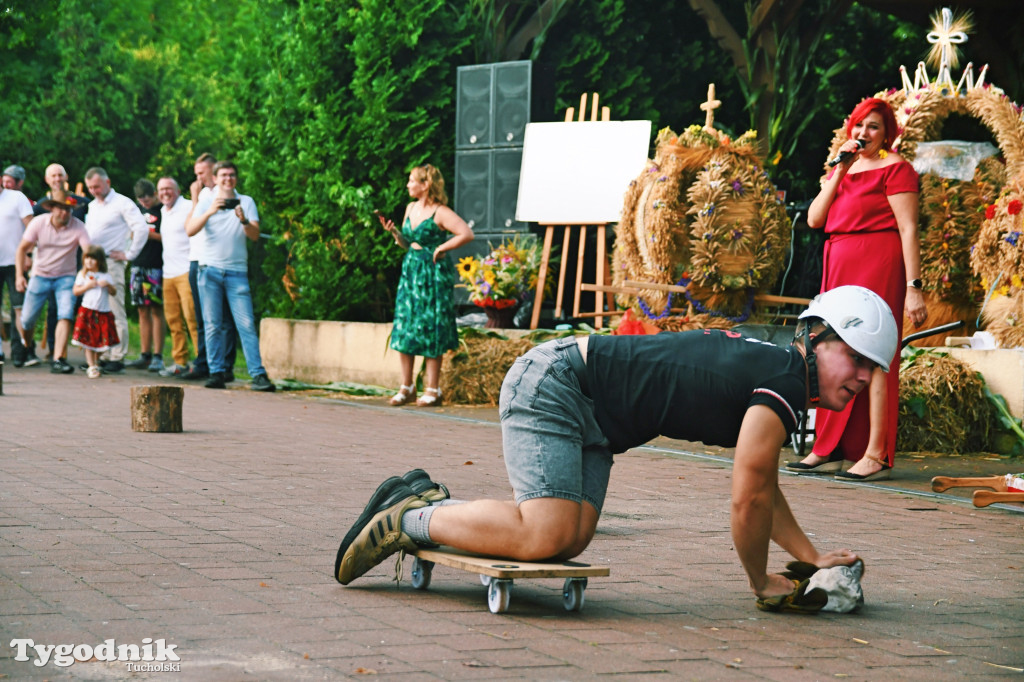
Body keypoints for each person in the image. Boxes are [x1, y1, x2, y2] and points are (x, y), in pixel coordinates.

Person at [335, 286, 898, 611]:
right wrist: (760, 583)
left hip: (595, 420)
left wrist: (812, 555)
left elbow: (763, 487)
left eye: (875, 370)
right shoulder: (784, 381)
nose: (865, 379)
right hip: (558, 383)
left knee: (569, 538)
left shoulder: (781, 371)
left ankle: (424, 498)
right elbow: (748, 498)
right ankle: (408, 518)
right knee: (545, 533)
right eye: (858, 359)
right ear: (817, 337)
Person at [787, 98, 927, 482]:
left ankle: (875, 452)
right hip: (839, 258)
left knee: (874, 353)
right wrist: (839, 170)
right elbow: (816, 218)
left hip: (878, 259)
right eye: (859, 125)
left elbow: (908, 229)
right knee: (833, 348)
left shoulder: (896, 169)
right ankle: (827, 449)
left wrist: (914, 287)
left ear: (887, 134)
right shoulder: (842, 169)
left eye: (874, 127)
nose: (864, 133)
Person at [378, 164, 473, 407]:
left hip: (433, 274)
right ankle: (407, 386)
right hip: (411, 271)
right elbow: (407, 243)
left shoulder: (440, 212)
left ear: (425, 184)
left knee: (432, 327)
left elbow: (466, 233)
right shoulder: (410, 208)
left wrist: (442, 248)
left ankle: (433, 388)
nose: (408, 185)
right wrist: (396, 234)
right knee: (406, 325)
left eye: (412, 181)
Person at [185, 161, 274, 392]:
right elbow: (190, 229)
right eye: (223, 175)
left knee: (245, 324)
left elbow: (254, 236)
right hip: (209, 271)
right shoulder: (206, 200)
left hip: (237, 272)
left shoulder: (247, 201)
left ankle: (258, 374)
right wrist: (211, 211)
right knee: (213, 324)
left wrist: (243, 219)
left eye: (232, 175)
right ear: (214, 178)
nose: (228, 179)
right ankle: (216, 373)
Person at [14, 191, 91, 374]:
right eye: (61, 209)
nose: (65, 213)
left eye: (68, 210)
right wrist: (19, 275)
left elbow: (88, 251)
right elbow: (22, 249)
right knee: (27, 320)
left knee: (65, 315)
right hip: (40, 275)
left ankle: (59, 359)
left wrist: (85, 274)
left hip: (66, 277)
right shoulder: (39, 223)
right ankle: (27, 345)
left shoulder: (78, 226)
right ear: (52, 209)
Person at [83, 167, 149, 373]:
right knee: (96, 309)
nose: (94, 190)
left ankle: (117, 355)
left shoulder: (122, 203)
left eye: (97, 186)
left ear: (107, 182)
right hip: (93, 265)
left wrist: (130, 254)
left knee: (114, 309)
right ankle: (101, 352)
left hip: (112, 262)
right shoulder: (92, 206)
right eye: (90, 188)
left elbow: (141, 228)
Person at [181, 152, 237, 381]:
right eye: (196, 174)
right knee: (203, 317)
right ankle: (204, 362)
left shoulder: (225, 194)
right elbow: (189, 226)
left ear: (214, 172)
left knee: (223, 318)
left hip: (218, 263)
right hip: (197, 259)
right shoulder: (203, 194)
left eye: (201, 173)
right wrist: (195, 198)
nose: (198, 179)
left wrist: (196, 200)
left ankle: (225, 366)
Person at [33, 164, 90, 362]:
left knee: (83, 306)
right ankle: (53, 350)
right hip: (49, 266)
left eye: (60, 175)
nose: (57, 179)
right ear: (47, 179)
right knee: (53, 309)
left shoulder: (82, 203)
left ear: (66, 177)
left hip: (79, 263)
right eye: (53, 176)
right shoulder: (40, 206)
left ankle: (89, 351)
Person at [156, 176, 198, 377]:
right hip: (168, 273)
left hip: (186, 270)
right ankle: (180, 361)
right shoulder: (163, 211)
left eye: (168, 189)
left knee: (192, 318)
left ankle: (202, 362)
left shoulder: (188, 206)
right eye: (161, 189)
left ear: (178, 190)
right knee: (173, 320)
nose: (165, 192)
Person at [124, 179, 166, 373]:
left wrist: (148, 234)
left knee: (157, 310)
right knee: (142, 311)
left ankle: (158, 355)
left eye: (148, 197)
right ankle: (144, 354)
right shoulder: (138, 212)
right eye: (141, 198)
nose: (145, 201)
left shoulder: (163, 211)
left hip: (156, 266)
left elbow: (170, 237)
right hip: (138, 265)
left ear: (154, 194)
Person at [0, 167, 34, 366]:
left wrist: (29, 254)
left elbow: (31, 227)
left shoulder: (16, 197)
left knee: (19, 306)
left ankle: (21, 350)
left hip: (16, 261)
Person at [71, 245, 119, 379]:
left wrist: (108, 285)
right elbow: (75, 291)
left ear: (99, 261)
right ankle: (91, 365)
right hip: (88, 310)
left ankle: (95, 361)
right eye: (87, 258)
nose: (89, 262)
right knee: (89, 341)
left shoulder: (106, 276)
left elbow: (114, 292)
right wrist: (87, 286)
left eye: (93, 258)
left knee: (104, 343)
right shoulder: (83, 275)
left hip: (103, 312)